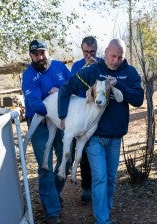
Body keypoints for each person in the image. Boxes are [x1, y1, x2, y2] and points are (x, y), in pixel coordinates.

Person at [58, 38, 144, 224]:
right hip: (94, 135)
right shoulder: (93, 71)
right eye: (113, 56)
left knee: (111, 179)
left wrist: (119, 85)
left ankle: (105, 214)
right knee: (100, 178)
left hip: (115, 137)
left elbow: (138, 99)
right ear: (105, 52)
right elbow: (67, 88)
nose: (116, 60)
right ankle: (102, 223)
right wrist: (62, 115)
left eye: (120, 57)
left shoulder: (128, 73)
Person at [21, 39, 71, 224]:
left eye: (43, 53)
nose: (40, 57)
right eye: (36, 54)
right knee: (46, 167)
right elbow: (34, 103)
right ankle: (52, 209)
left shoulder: (59, 67)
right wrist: (51, 97)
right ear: (31, 56)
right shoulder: (29, 75)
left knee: (68, 159)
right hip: (41, 126)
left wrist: (62, 92)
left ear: (48, 52)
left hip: (62, 122)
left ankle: (54, 195)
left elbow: (74, 86)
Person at [70, 36, 99, 203]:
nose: (89, 55)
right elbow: (73, 88)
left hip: (97, 116)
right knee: (83, 153)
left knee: (96, 152)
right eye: (86, 51)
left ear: (97, 49)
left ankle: (99, 187)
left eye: (92, 51)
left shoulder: (101, 64)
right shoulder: (76, 66)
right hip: (80, 117)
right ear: (82, 50)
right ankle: (87, 187)